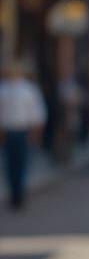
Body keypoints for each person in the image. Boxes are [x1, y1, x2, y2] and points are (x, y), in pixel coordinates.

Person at [0, 56, 48, 210]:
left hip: (22, 130)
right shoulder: (3, 89)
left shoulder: (28, 90)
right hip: (7, 131)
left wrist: (36, 132)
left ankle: (19, 194)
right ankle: (14, 194)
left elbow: (37, 113)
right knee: (9, 165)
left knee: (21, 164)